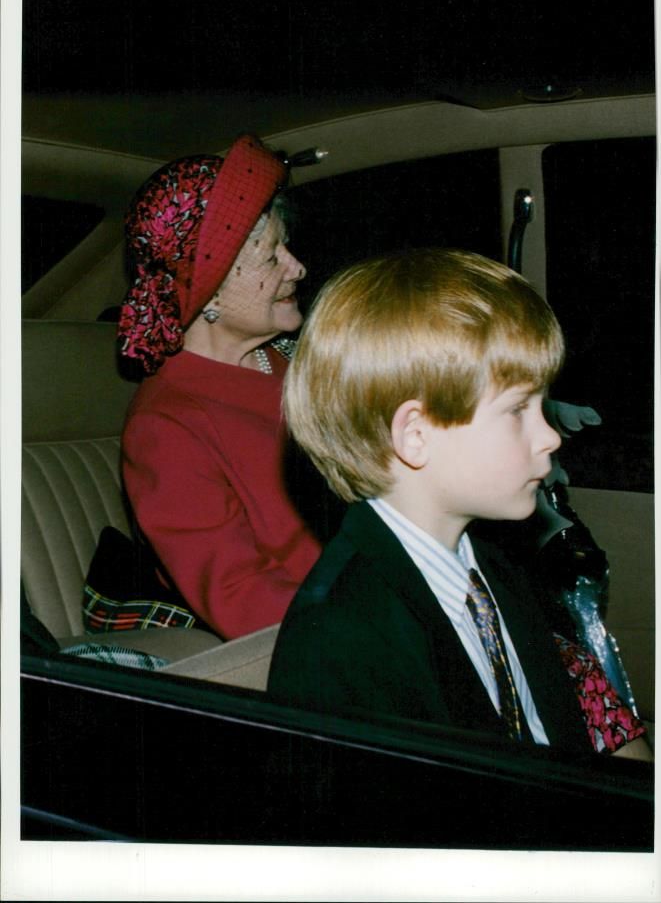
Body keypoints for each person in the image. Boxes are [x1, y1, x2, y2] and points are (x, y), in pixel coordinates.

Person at [268, 248, 651, 759]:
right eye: (518, 409)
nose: (549, 437)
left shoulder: (495, 569)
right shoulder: (341, 638)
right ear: (416, 436)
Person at [114, 135, 322, 640]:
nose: (298, 267)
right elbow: (241, 597)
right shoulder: (165, 426)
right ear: (206, 290)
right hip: (321, 641)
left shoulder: (293, 364)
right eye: (272, 257)